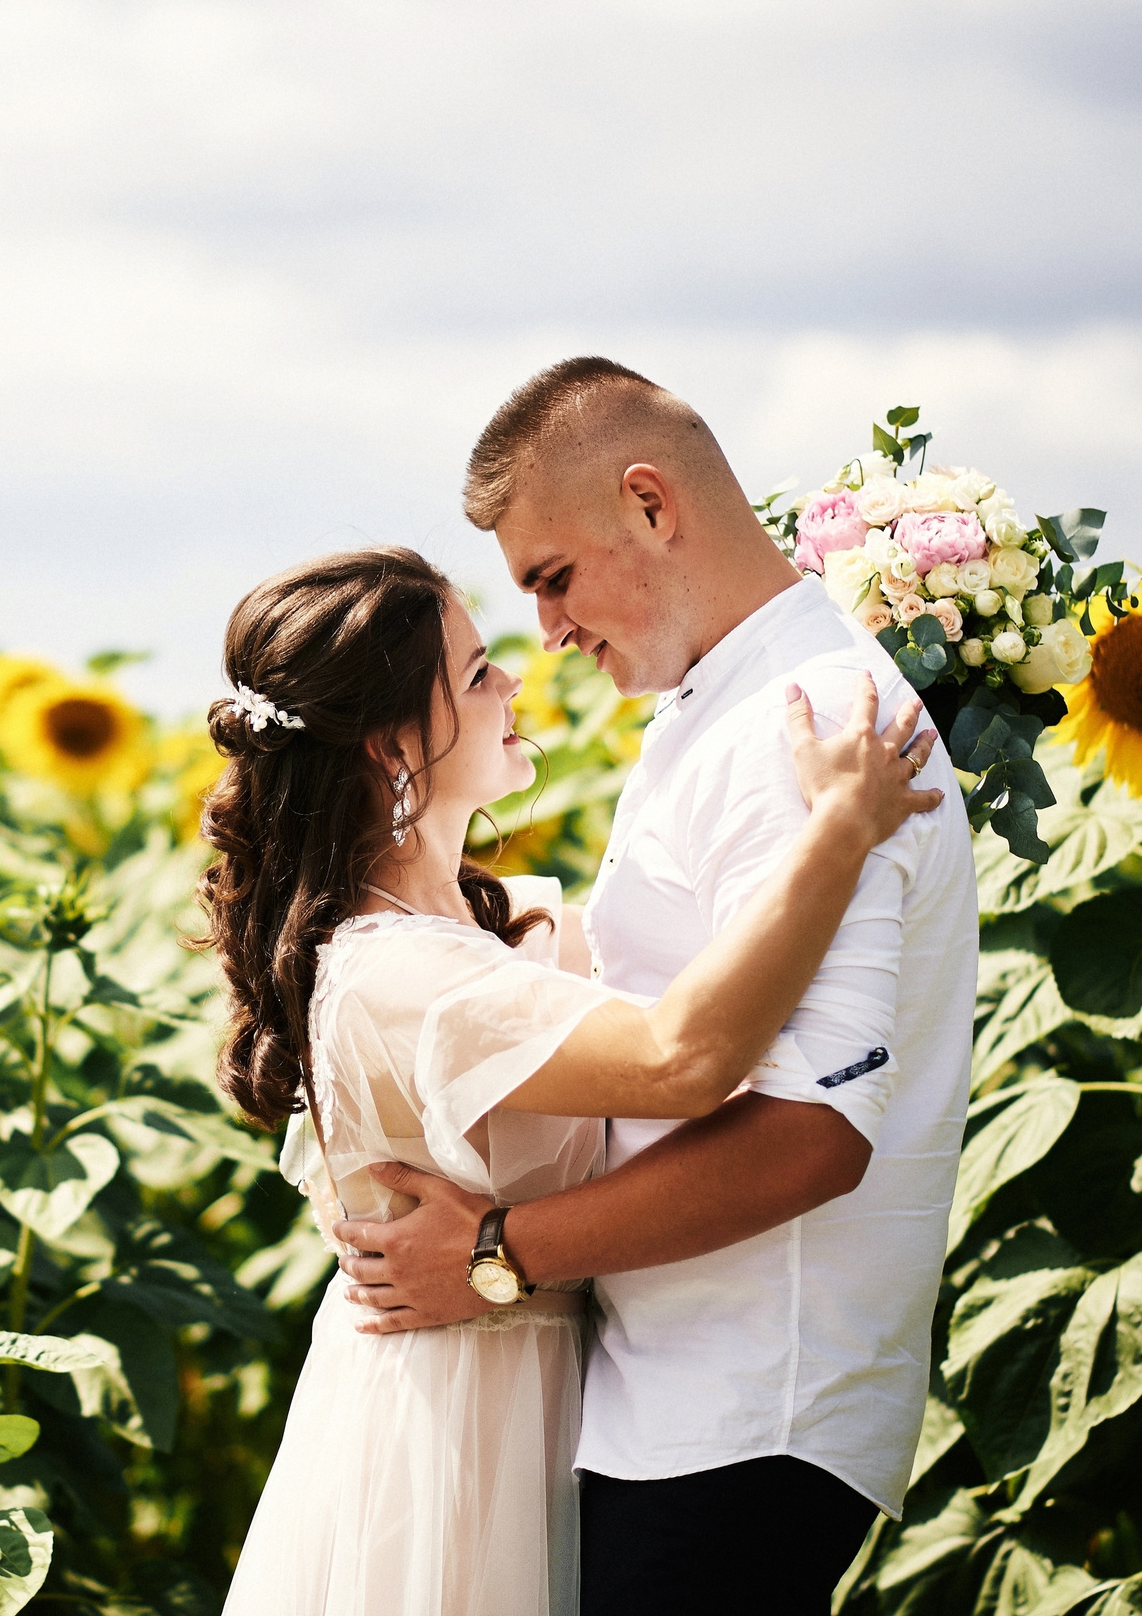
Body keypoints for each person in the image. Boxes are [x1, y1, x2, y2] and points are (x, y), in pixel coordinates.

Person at [330, 359, 982, 1615]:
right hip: (675, 1396)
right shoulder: (717, 712)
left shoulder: (808, 727)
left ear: (649, 503)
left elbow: (809, 1138)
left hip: (749, 1409)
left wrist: (492, 1254)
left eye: (551, 577)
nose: (548, 634)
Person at [199, 544, 944, 1616]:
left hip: (536, 1404)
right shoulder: (400, 972)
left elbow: (703, 964)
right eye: (473, 673)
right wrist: (835, 830)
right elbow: (685, 1056)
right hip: (451, 1431)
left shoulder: (488, 933)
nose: (513, 681)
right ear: (389, 745)